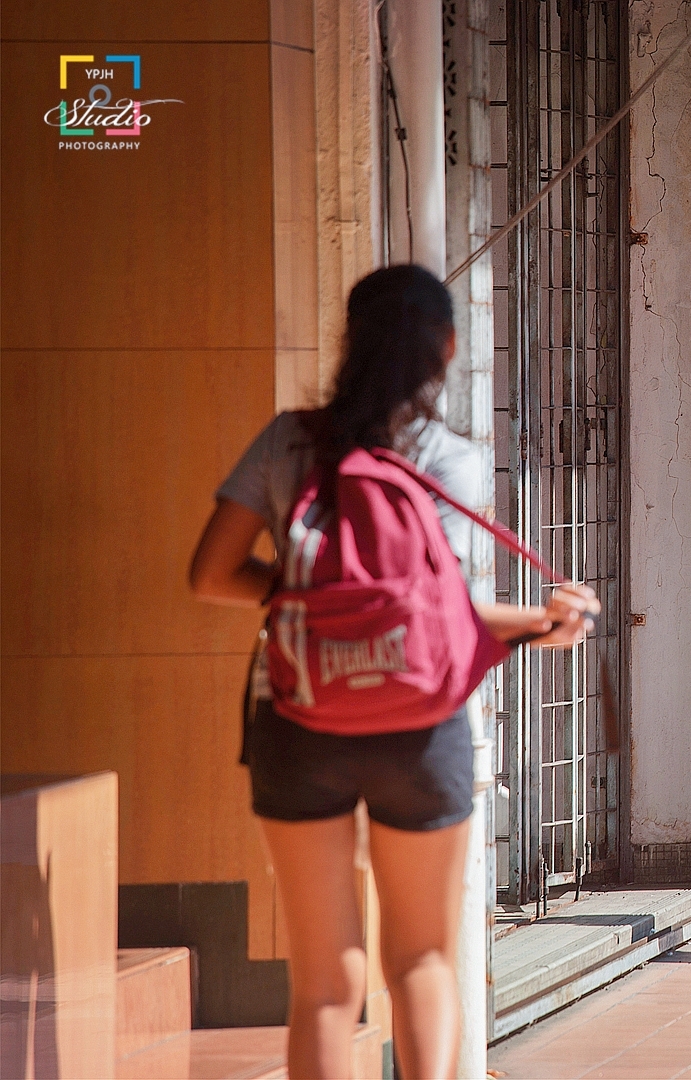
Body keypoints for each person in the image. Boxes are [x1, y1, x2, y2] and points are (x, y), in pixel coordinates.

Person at [188, 266, 600, 1079]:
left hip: (297, 720)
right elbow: (437, 618)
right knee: (419, 960)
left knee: (324, 985)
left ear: (351, 340)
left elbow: (209, 573)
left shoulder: (287, 441)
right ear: (446, 349)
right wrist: (544, 624)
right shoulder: (449, 460)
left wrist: (313, 601)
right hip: (420, 728)